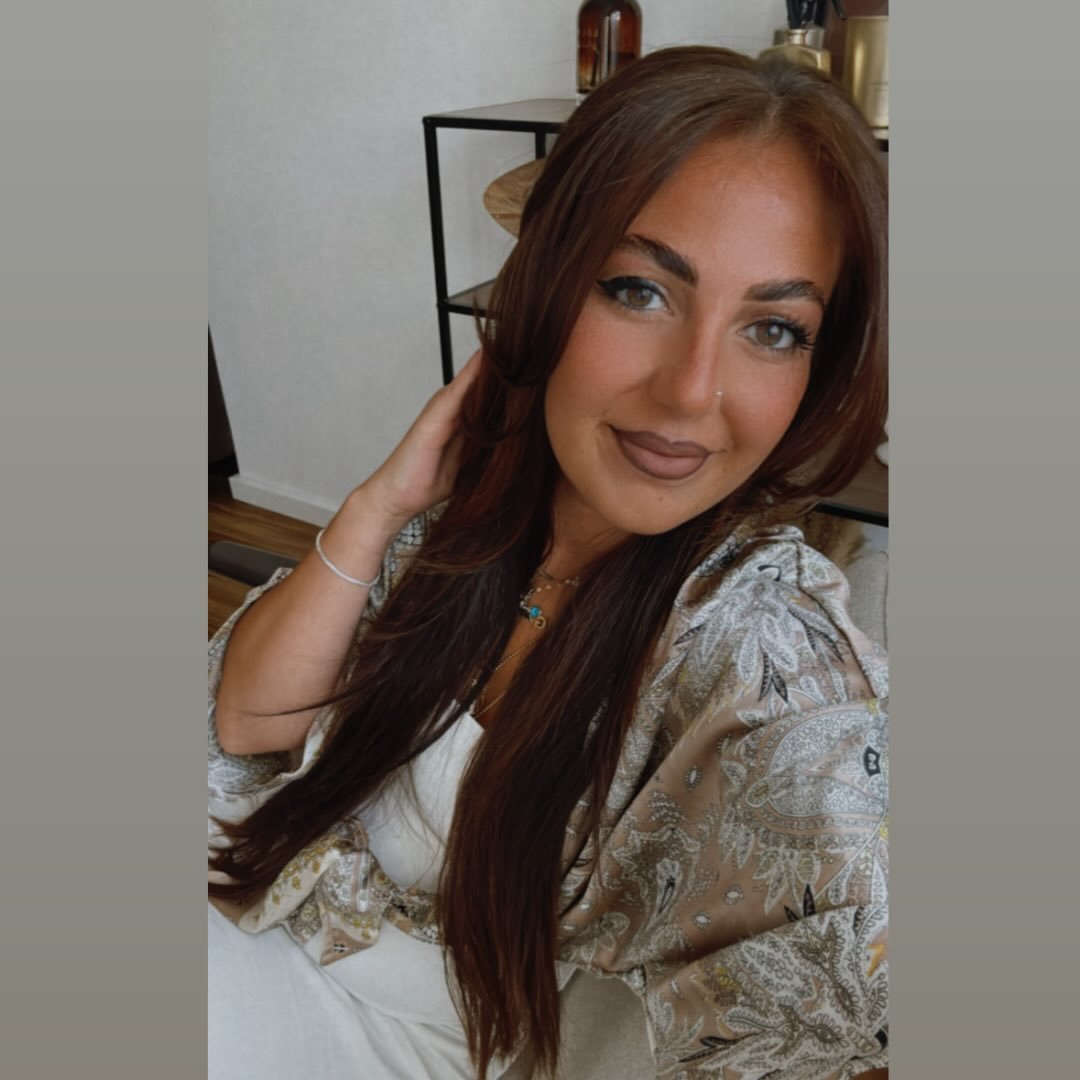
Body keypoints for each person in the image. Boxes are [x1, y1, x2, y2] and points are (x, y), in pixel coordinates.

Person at [208, 45, 889, 1080]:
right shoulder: (470, 518)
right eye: (639, 290)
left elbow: (842, 953)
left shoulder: (767, 651)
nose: (691, 391)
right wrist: (375, 507)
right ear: (544, 291)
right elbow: (250, 724)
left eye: (773, 329)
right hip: (278, 927)